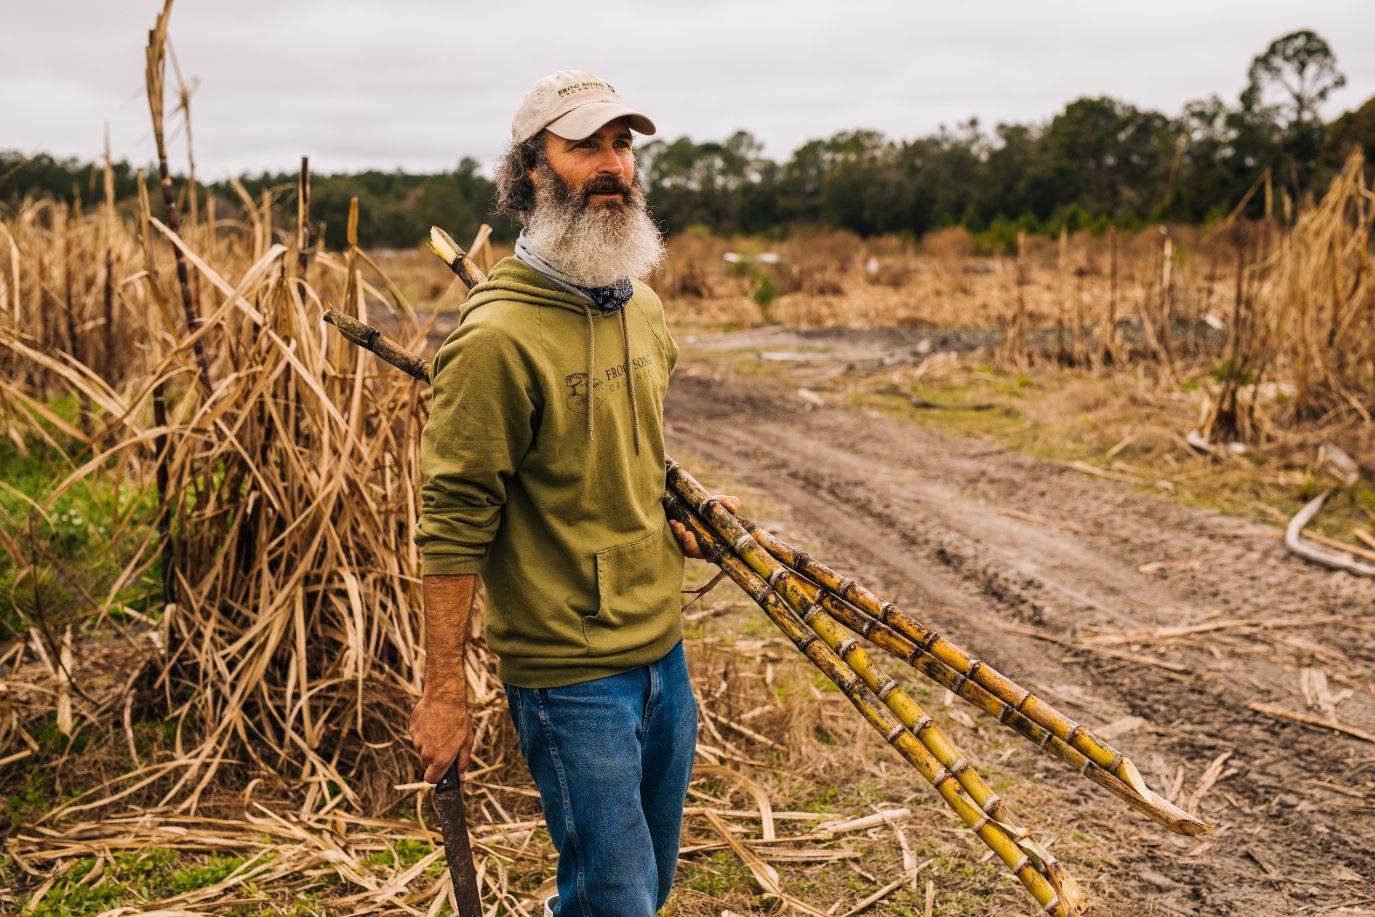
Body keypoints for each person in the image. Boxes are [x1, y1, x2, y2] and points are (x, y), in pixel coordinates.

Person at [407, 70, 736, 917]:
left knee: (639, 888)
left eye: (622, 144)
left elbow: (625, 462)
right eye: (584, 143)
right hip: (569, 675)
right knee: (615, 900)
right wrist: (444, 690)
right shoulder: (495, 338)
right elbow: (450, 525)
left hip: (661, 648)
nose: (612, 164)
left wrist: (677, 515)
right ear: (530, 171)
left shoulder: (642, 308)